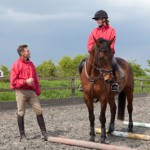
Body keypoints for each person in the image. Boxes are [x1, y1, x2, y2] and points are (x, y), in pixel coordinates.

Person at [10, 45, 48, 142]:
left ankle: (44, 133)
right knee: (21, 112)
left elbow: (35, 79)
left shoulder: (31, 64)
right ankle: (22, 135)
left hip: (32, 92)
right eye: (27, 51)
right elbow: (13, 83)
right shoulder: (16, 65)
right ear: (22, 53)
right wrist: (25, 81)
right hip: (21, 92)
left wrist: (38, 91)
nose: (29, 52)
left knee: (39, 110)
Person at [79, 10, 120, 93]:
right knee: (82, 64)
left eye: (98, 19)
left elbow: (112, 44)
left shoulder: (111, 30)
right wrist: (92, 50)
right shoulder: (94, 31)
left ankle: (115, 83)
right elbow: (90, 43)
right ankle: (82, 83)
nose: (97, 21)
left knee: (114, 64)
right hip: (95, 55)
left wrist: (107, 51)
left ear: (104, 19)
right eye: (96, 19)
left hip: (107, 54)